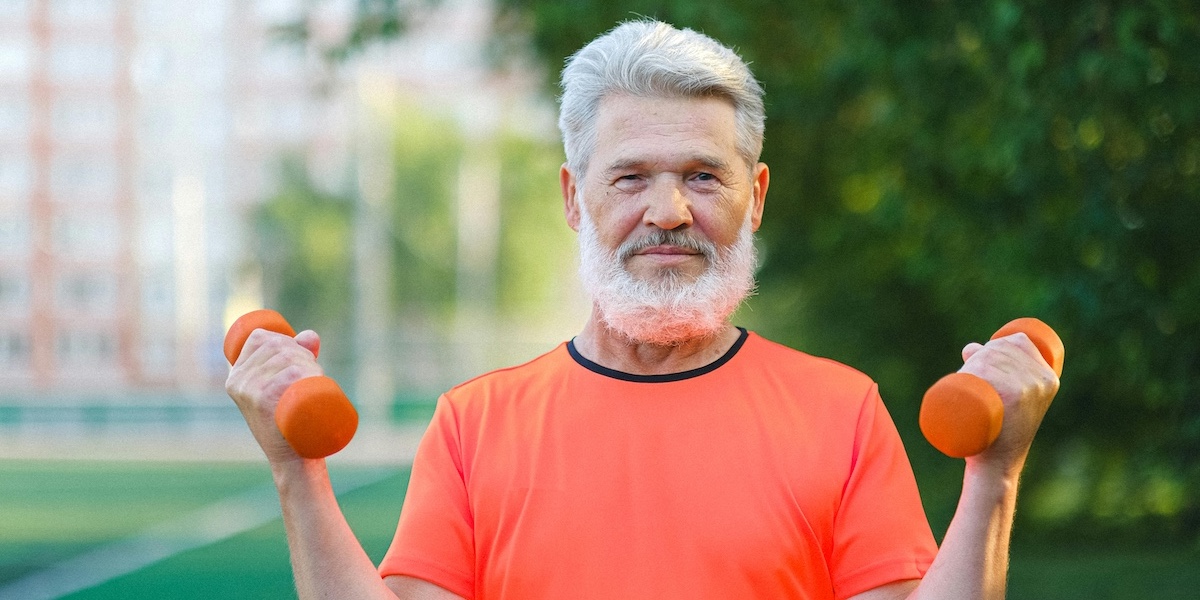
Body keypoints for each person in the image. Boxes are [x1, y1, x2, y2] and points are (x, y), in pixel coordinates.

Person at [225, 19, 1059, 600]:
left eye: (703, 176)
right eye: (630, 178)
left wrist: (996, 474)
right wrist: (298, 476)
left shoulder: (842, 412)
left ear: (755, 196)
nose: (668, 210)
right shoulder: (473, 425)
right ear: (573, 197)